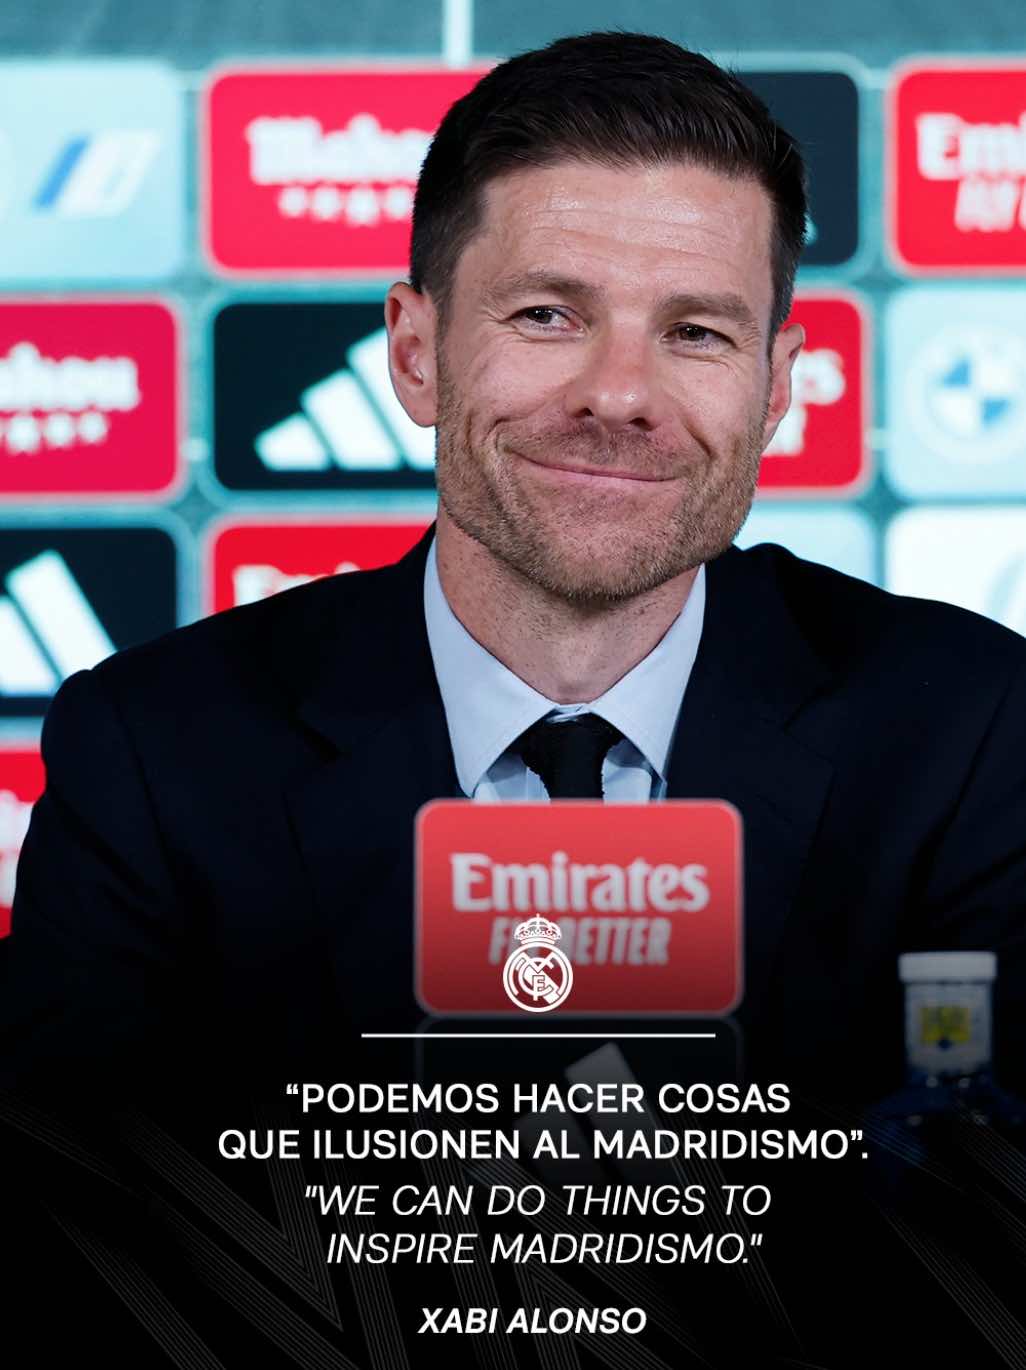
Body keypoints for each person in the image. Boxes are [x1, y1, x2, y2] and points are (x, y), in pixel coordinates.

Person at [2, 32, 1025, 1369]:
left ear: (776, 387)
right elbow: (83, 1266)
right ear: (415, 350)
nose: (619, 396)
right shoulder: (156, 747)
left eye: (696, 332)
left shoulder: (968, 728)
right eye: (547, 315)